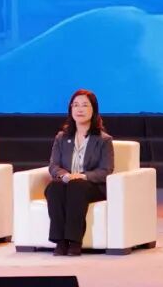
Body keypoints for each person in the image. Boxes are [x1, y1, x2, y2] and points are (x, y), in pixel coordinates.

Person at [44, 88, 114, 256]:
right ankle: (60, 242)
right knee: (54, 188)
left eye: (84, 105)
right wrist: (64, 175)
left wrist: (82, 176)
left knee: (77, 186)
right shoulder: (61, 137)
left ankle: (75, 241)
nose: (79, 109)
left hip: (92, 186)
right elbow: (53, 165)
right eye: (75, 105)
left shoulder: (103, 140)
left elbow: (106, 170)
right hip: (68, 182)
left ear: (94, 110)